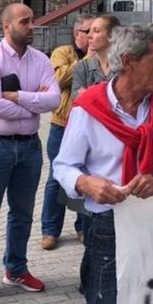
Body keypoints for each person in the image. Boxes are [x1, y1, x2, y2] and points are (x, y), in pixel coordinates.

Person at [53, 24, 153, 304]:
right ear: (129, 61)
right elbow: (63, 166)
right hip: (108, 224)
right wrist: (85, 183)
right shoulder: (89, 107)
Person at [0, 3, 59, 304]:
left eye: (32, 20)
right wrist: (34, 103)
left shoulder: (41, 59)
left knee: (22, 213)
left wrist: (18, 96)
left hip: (30, 147)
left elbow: (54, 99)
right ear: (7, 26)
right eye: (25, 21)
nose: (32, 26)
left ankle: (16, 269)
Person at [41, 14, 93, 251]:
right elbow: (57, 79)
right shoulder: (62, 52)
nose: (92, 36)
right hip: (62, 125)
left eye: (95, 31)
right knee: (56, 177)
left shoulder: (102, 56)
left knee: (86, 176)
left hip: (89, 127)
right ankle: (50, 230)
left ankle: (83, 226)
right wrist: (88, 59)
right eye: (87, 31)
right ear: (76, 34)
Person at [72, 15, 120, 98]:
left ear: (112, 36)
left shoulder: (125, 66)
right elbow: (80, 102)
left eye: (96, 31)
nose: (89, 35)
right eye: (89, 31)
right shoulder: (82, 67)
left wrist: (89, 95)